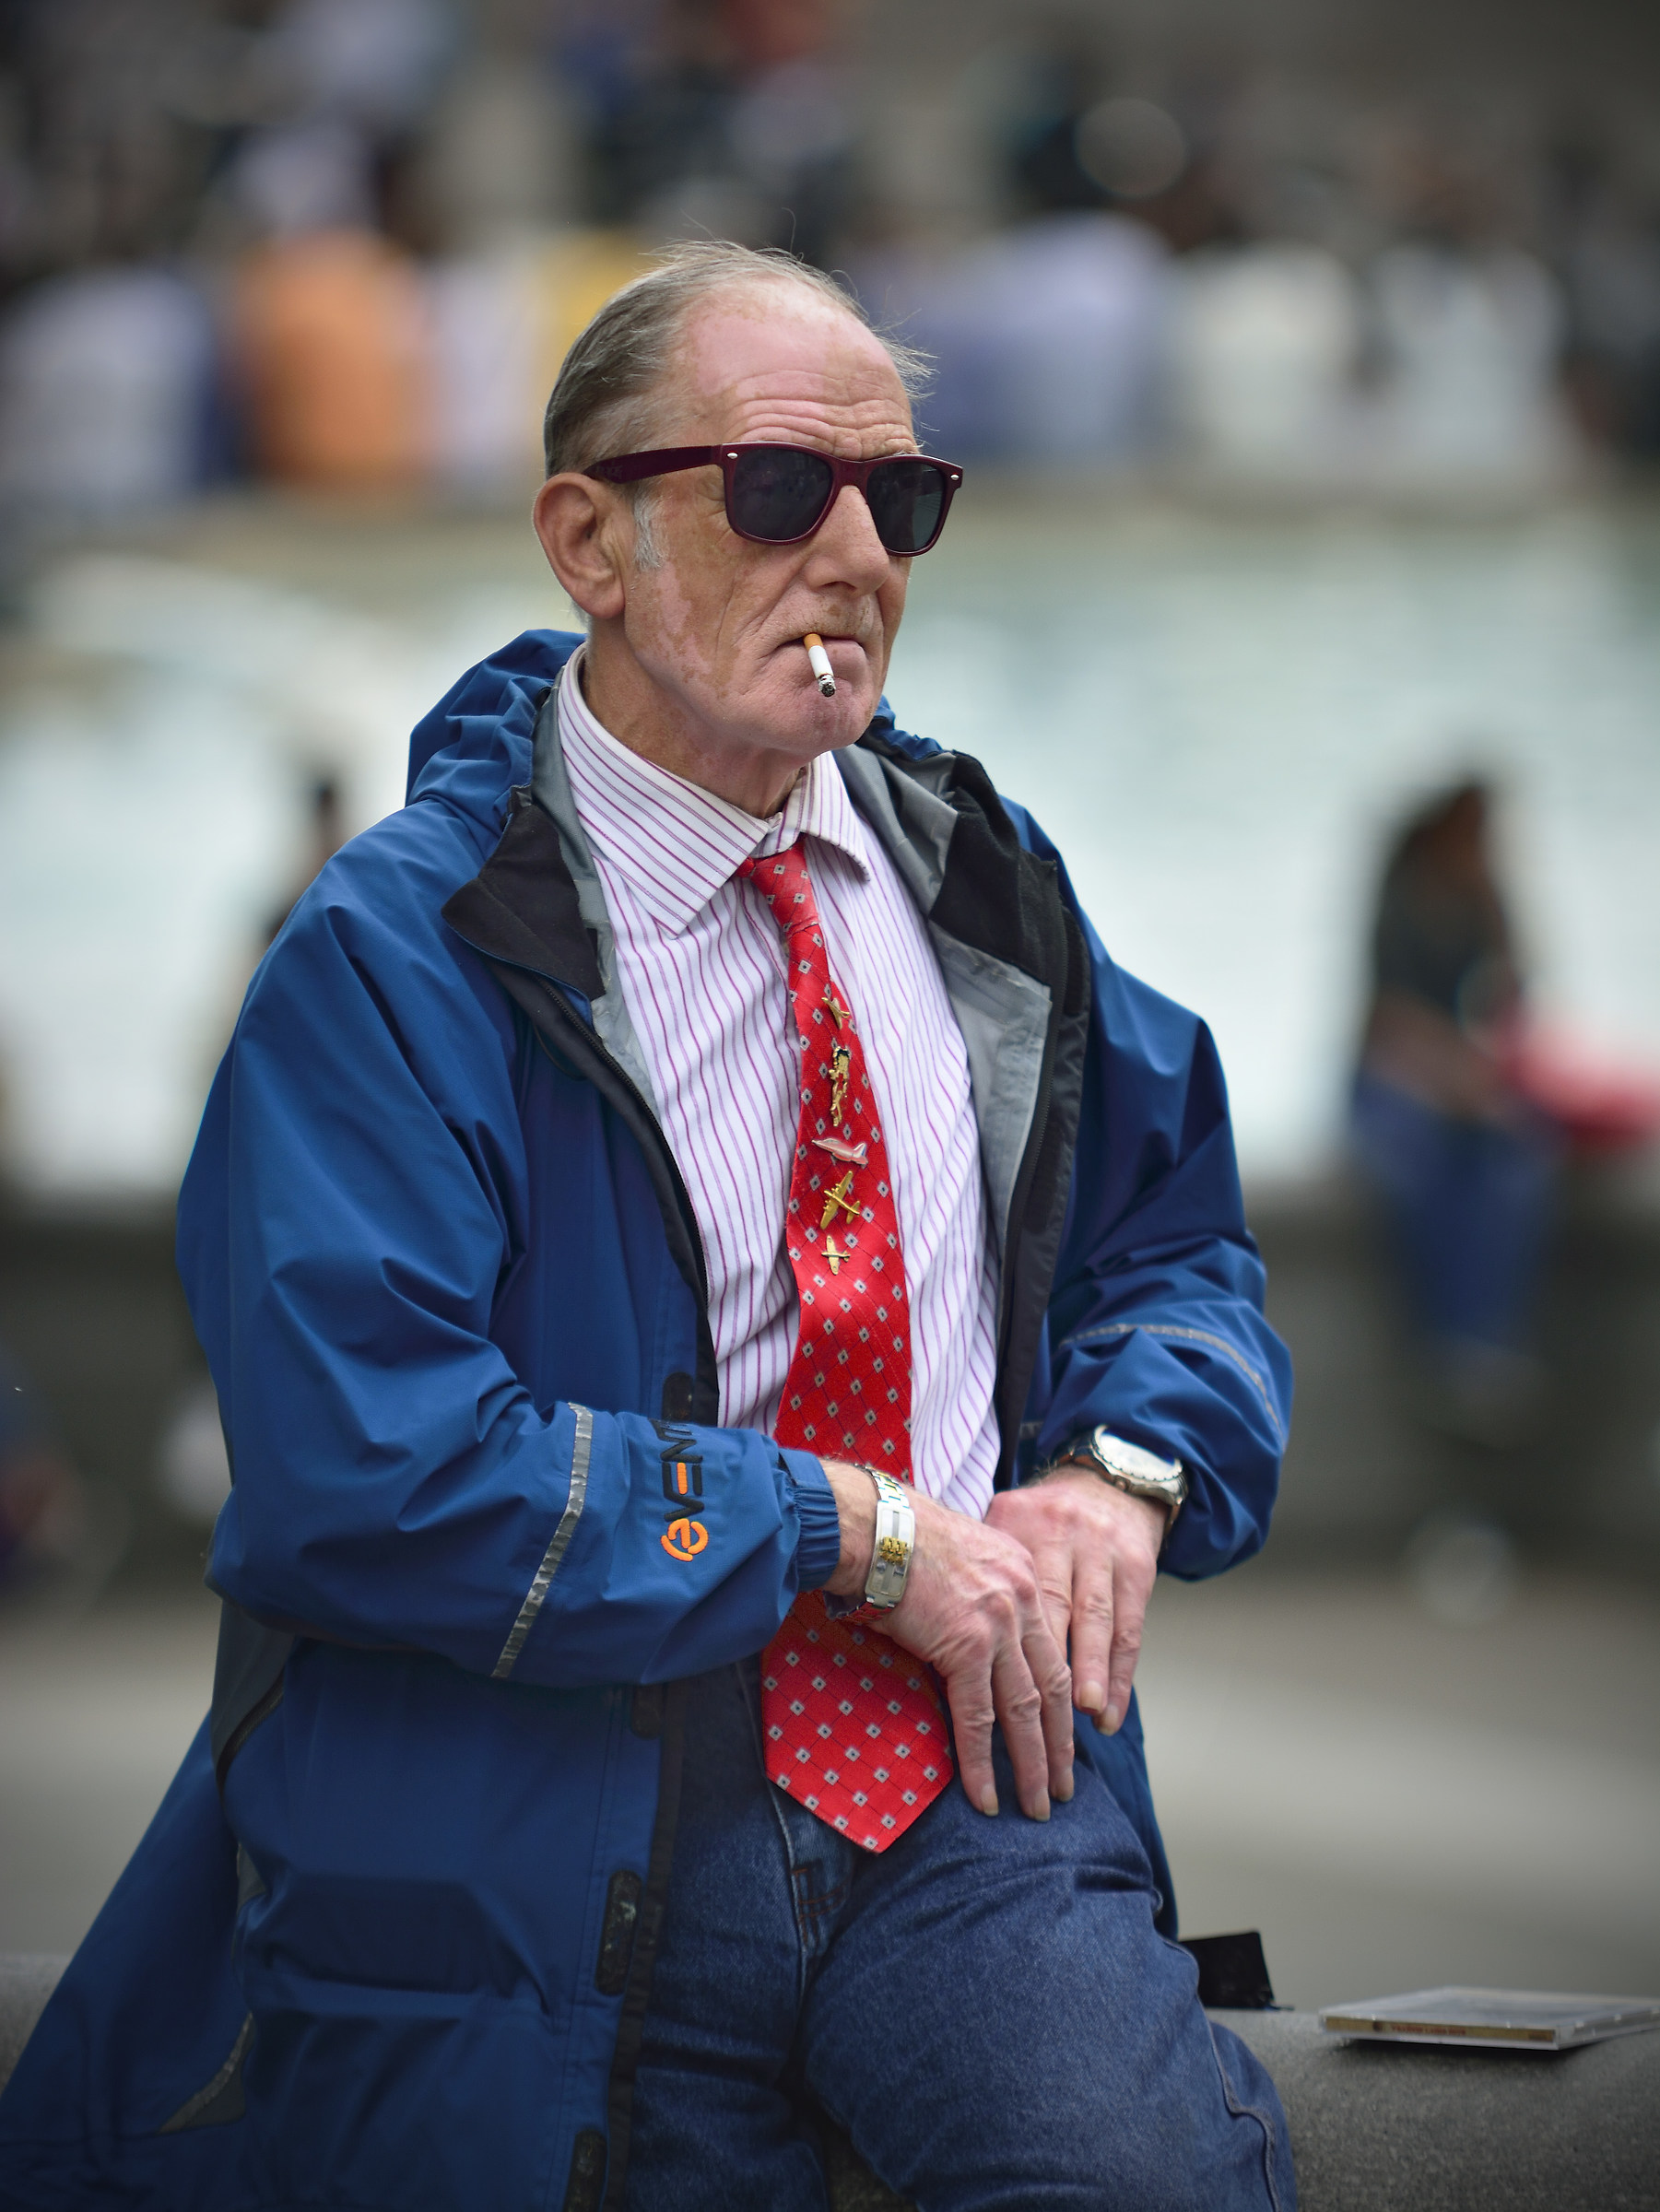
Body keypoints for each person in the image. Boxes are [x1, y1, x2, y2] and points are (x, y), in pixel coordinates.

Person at [0, 241, 1295, 2211]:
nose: (855, 549)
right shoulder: (391, 957)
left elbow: (1177, 1245)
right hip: (543, 1843)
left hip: (975, 1820)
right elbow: (370, 1464)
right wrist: (850, 1534)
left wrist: (1122, 1471)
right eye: (782, 485)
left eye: (904, 498)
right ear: (586, 542)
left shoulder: (988, 888)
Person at [1351, 778, 1557, 1437]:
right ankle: (1442, 1342)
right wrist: (1452, 1077)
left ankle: (1486, 1340)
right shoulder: (1401, 896)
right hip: (1392, 1078)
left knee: (1515, 1166)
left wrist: (1499, 916)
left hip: (1457, 1081)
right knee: (1419, 1170)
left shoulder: (1478, 896)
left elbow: (1512, 1000)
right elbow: (1387, 1020)